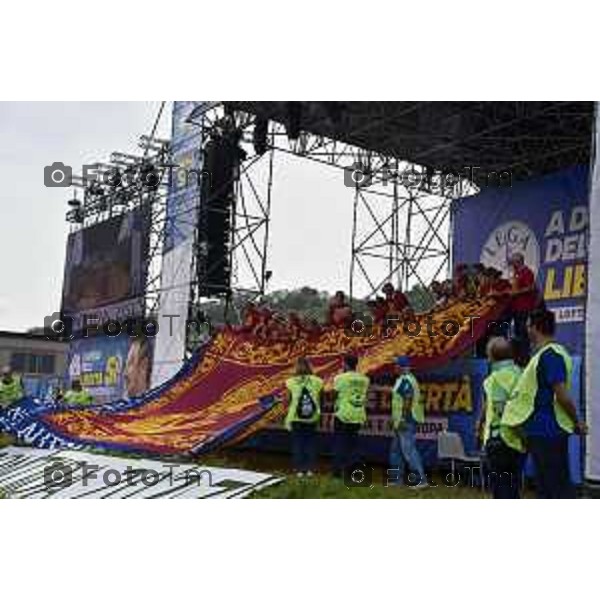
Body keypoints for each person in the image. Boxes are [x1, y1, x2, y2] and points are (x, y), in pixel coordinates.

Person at [502, 308, 587, 498]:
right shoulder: (542, 356)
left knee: (555, 488)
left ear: (535, 328)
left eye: (528, 325)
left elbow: (562, 396)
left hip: (549, 432)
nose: (526, 329)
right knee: (546, 488)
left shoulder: (551, 355)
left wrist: (577, 422)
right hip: (540, 432)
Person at [477, 337, 524, 498]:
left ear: (491, 356)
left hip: (500, 440)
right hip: (518, 440)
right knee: (513, 488)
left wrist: (481, 427)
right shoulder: (521, 373)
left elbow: (500, 410)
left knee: (501, 491)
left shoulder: (494, 379)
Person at [387, 356, 428, 488]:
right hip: (400, 420)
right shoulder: (402, 380)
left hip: (406, 420)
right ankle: (396, 480)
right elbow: (398, 397)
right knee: (396, 451)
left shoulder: (406, 380)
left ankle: (421, 480)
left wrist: (403, 418)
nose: (394, 367)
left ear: (402, 367)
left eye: (396, 365)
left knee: (409, 451)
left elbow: (408, 399)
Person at [332, 354, 370, 477]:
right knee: (353, 444)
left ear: (345, 364)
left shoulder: (340, 378)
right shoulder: (365, 379)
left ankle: (337, 472)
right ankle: (352, 472)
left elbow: (335, 394)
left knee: (340, 443)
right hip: (358, 414)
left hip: (343, 414)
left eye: (343, 363)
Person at [284, 357, 324, 477]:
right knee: (310, 443)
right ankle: (310, 470)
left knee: (298, 443)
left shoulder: (290, 382)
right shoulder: (318, 381)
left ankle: (299, 471)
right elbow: (321, 399)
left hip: (295, 417)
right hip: (312, 417)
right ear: (310, 367)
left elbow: (288, 401)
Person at [508, 252, 541, 359]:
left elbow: (531, 288)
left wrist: (516, 292)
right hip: (516, 308)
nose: (512, 264)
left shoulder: (527, 272)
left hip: (524, 307)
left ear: (518, 261)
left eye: (513, 262)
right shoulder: (516, 273)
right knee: (518, 331)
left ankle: (525, 354)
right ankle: (519, 354)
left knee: (522, 331)